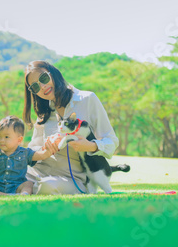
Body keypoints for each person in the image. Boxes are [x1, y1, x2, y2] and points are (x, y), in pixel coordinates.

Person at [22, 60, 119, 194]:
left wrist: (90, 146)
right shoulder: (45, 111)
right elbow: (32, 150)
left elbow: (112, 141)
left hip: (70, 179)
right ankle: (22, 189)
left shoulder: (88, 99)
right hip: (36, 173)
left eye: (44, 78)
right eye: (35, 87)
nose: (43, 87)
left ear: (53, 74)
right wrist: (45, 150)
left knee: (45, 187)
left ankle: (22, 190)